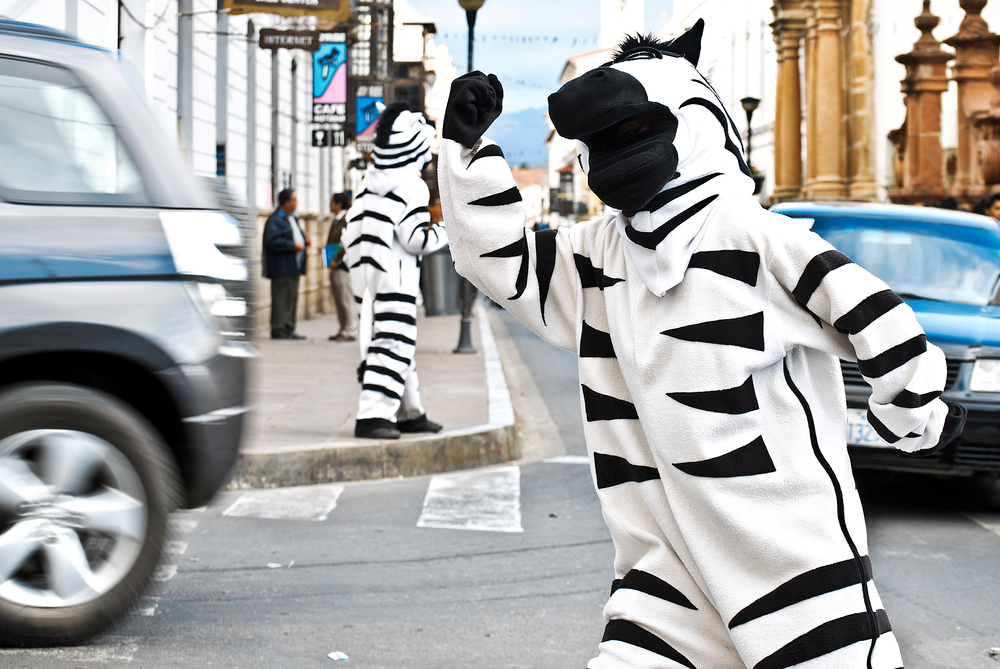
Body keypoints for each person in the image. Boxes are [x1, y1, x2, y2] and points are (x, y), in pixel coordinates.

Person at [437, 23, 966, 669]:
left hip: (791, 564)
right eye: (607, 138)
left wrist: (913, 409)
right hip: (664, 574)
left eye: (637, 127)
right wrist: (465, 153)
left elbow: (872, 314)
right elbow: (505, 266)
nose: (620, 145)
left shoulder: (758, 239)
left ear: (693, 118)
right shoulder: (599, 254)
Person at [342, 102, 447, 440]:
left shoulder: (368, 183)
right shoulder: (411, 185)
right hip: (396, 276)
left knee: (388, 338)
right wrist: (446, 232)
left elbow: (349, 230)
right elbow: (415, 239)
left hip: (365, 273)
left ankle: (409, 412)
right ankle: (373, 415)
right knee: (393, 341)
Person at [262, 188, 309, 340]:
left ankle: (289, 328)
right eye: (294, 200)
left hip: (294, 266)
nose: (296, 203)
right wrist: (292, 245)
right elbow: (272, 241)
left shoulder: (291, 218)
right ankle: (278, 329)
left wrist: (304, 239)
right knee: (281, 299)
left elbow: (296, 234)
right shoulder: (275, 219)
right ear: (286, 202)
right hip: (281, 267)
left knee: (291, 298)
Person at [326, 191, 358, 341]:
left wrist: (337, 259)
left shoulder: (347, 219)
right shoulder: (336, 220)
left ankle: (351, 329)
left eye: (332, 202)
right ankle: (343, 327)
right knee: (339, 298)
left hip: (342, 264)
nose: (330, 205)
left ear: (339, 204)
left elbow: (347, 241)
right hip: (334, 264)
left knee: (346, 298)